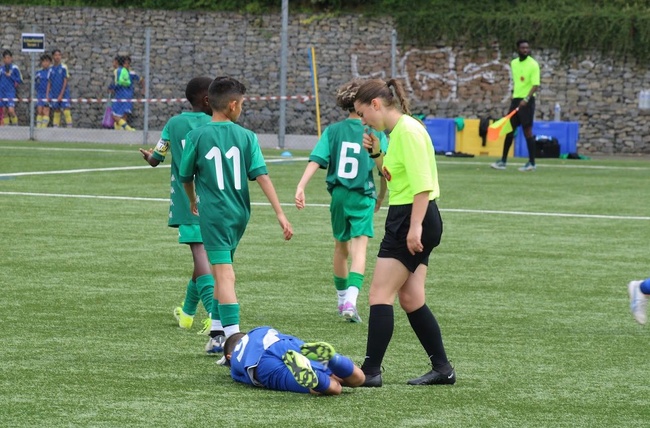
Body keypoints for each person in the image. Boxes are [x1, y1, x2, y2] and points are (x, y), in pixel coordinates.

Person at [353, 78, 455, 387]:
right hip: (411, 216)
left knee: (379, 294)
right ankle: (443, 368)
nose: (362, 120)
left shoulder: (408, 132)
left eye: (362, 113)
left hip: (412, 217)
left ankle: (370, 372)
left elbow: (422, 185)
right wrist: (376, 155)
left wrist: (414, 228)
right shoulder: (395, 133)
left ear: (376, 105)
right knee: (410, 298)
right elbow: (396, 177)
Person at [179, 76, 293, 350]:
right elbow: (262, 176)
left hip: (214, 214)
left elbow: (185, 175)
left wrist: (193, 200)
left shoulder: (196, 136)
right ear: (232, 106)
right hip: (240, 214)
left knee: (225, 274)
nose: (241, 108)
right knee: (223, 272)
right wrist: (280, 213)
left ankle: (234, 342)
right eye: (241, 104)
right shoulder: (247, 137)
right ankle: (217, 334)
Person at [295, 79, 387, 323]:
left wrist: (301, 185)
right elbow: (384, 168)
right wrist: (381, 196)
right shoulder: (375, 131)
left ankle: (340, 299)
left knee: (340, 247)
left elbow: (315, 159)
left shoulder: (333, 131)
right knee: (359, 250)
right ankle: (351, 302)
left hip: (338, 196)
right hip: (361, 195)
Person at [139, 77, 215, 338]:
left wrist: (150, 156)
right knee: (204, 256)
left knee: (201, 257)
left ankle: (196, 312)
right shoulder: (218, 123)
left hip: (188, 201)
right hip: (216, 200)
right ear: (207, 100)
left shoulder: (174, 124)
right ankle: (206, 314)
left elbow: (156, 159)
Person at [223, 326, 365, 395]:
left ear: (229, 356)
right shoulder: (259, 330)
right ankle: (333, 360)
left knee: (334, 388)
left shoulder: (235, 361)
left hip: (260, 365)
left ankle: (316, 379)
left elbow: (243, 378)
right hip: (281, 344)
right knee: (358, 379)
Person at [490, 39, 541, 172]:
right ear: (518, 49)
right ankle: (503, 161)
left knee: (527, 131)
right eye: (523, 48)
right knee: (509, 129)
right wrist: (516, 98)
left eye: (527, 48)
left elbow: (535, 85)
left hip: (527, 101)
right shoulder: (514, 63)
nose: (525, 50)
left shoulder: (533, 64)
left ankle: (532, 163)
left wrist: (526, 98)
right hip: (516, 100)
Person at [46, 49, 73, 128]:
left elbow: (65, 81)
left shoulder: (64, 67)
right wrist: (47, 94)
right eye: (56, 55)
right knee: (56, 110)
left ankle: (70, 129)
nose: (57, 57)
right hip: (55, 92)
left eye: (59, 55)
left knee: (66, 110)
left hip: (64, 93)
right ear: (53, 57)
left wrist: (61, 94)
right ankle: (55, 130)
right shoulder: (51, 69)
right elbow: (49, 82)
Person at [109, 55, 135, 131]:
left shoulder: (117, 71)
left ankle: (128, 128)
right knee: (123, 114)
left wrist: (112, 88)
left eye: (113, 61)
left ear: (116, 62)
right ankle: (119, 131)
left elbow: (117, 82)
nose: (113, 63)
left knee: (114, 115)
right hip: (128, 94)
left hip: (120, 95)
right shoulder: (125, 71)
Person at [0, 50, 23, 125]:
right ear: (3, 59)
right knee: (4, 110)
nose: (7, 59)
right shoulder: (1, 69)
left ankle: (15, 125)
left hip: (10, 92)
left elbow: (20, 80)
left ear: (11, 58)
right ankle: (7, 127)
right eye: (6, 58)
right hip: (2, 92)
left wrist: (11, 76)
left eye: (9, 58)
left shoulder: (14, 68)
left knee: (11, 110)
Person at [35, 53, 52, 128]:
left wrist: (49, 94)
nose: (45, 63)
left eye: (47, 61)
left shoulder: (51, 72)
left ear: (50, 63)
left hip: (48, 94)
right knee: (39, 111)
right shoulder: (38, 73)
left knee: (46, 111)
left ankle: (43, 128)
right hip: (40, 94)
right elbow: (36, 84)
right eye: (44, 61)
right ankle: (38, 127)